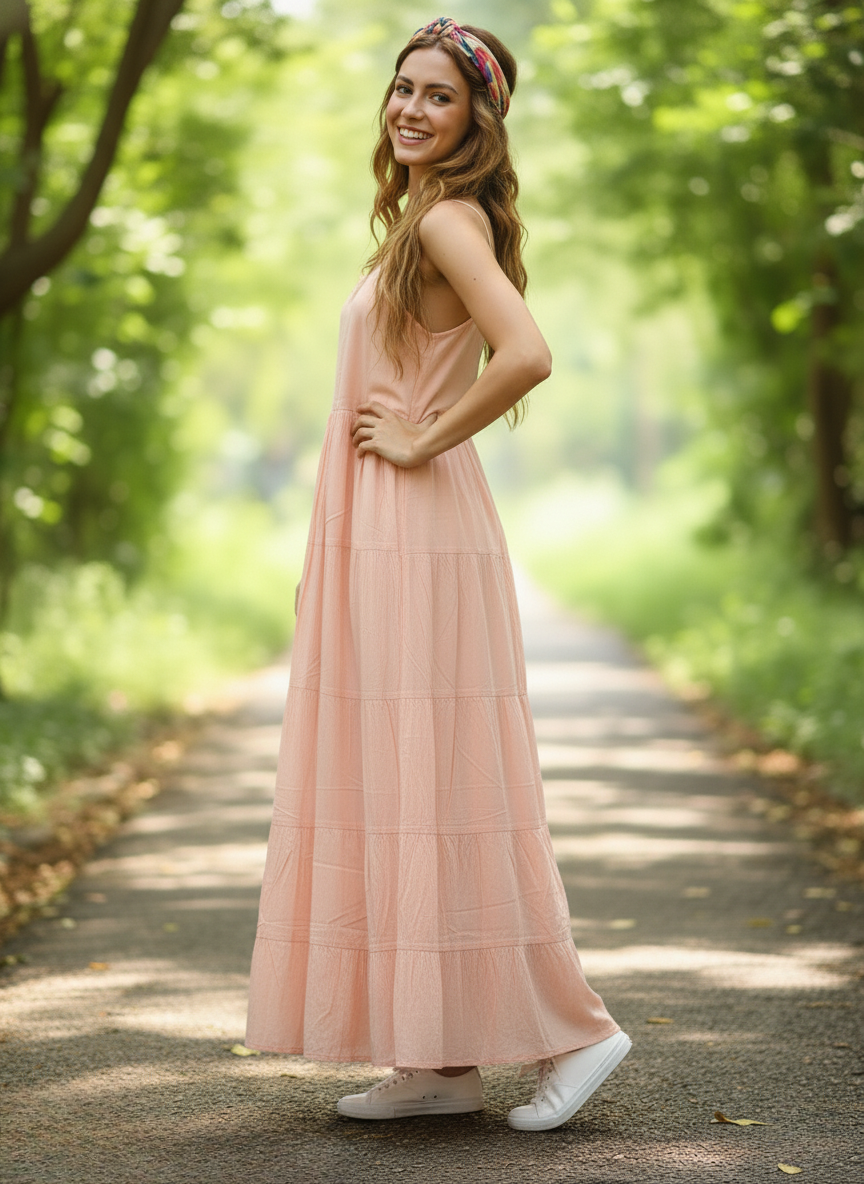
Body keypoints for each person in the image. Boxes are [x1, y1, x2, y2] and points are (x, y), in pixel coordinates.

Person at [245, 16, 630, 1132]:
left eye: (438, 97)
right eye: (401, 89)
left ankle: (581, 1026)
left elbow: (529, 351)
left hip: (418, 523)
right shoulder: (422, 220)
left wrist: (422, 437)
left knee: (443, 780)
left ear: (478, 120)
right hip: (386, 528)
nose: (411, 109)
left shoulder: (453, 220)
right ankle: (439, 1061)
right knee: (401, 778)